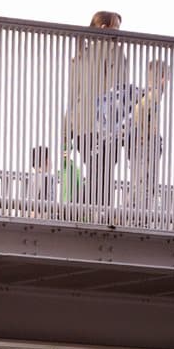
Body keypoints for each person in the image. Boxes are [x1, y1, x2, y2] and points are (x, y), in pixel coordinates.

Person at [63, 11, 127, 208]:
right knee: (104, 172)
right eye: (116, 27)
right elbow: (121, 91)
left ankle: (82, 210)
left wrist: (66, 131)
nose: (120, 33)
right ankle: (91, 211)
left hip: (83, 123)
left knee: (96, 171)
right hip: (106, 125)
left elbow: (73, 96)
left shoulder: (81, 55)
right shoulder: (115, 52)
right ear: (104, 28)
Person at [125, 59, 172, 209]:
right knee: (144, 183)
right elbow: (141, 112)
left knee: (140, 182)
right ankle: (138, 214)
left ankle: (134, 211)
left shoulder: (150, 95)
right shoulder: (153, 96)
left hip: (142, 141)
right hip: (145, 143)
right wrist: (145, 134)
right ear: (163, 78)